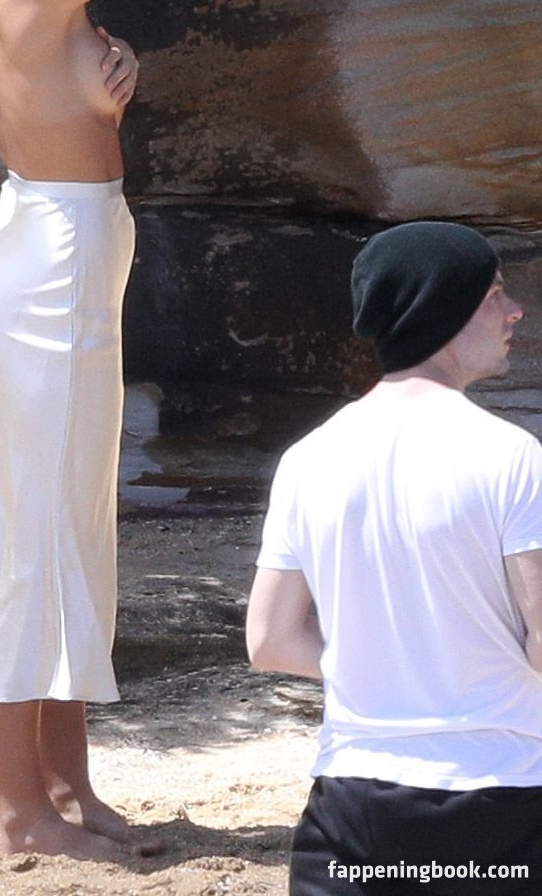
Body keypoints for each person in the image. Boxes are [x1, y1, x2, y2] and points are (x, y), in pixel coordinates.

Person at [0, 0, 385, 863]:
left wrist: (103, 104)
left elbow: (59, 123)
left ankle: (67, 784)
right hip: (46, 276)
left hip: (63, 256)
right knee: (34, 545)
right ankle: (23, 812)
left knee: (75, 530)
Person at [247, 221, 542, 895]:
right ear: (443, 308)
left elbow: (269, 640)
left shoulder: (308, 458)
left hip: (351, 809)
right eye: (494, 294)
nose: (515, 311)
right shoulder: (512, 456)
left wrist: (386, 664)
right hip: (500, 799)